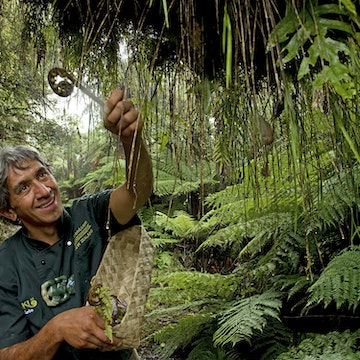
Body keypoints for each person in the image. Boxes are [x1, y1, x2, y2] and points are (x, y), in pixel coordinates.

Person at [0, 88, 153, 360]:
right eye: (24, 188)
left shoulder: (89, 212)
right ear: (9, 211)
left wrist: (131, 140)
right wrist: (56, 330)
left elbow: (136, 192)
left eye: (43, 174)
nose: (44, 190)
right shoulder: (7, 264)